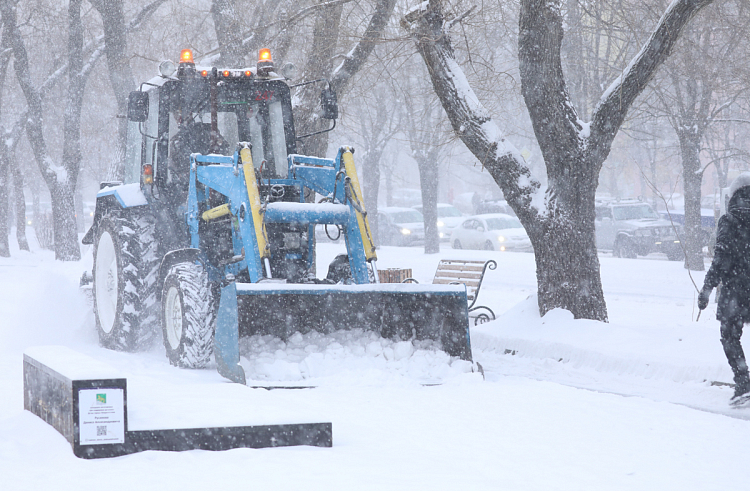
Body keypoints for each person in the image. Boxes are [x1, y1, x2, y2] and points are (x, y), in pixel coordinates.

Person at [698, 173, 750, 405]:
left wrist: (707, 289)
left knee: (730, 336)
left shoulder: (730, 221)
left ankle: (743, 383)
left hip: (735, 291)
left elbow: (721, 259)